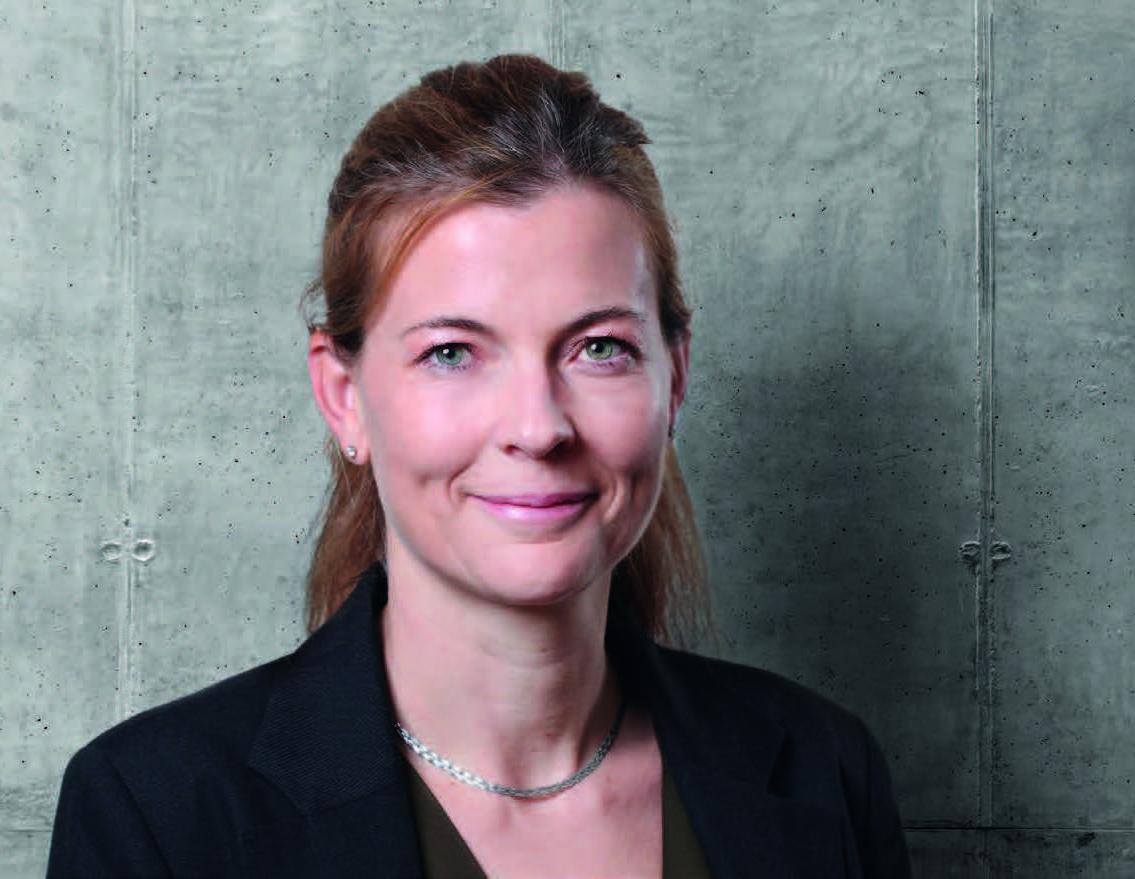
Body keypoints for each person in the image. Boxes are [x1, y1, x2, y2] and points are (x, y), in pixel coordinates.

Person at [46, 53, 912, 878]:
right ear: (343, 396)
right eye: (453, 353)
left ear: (673, 377)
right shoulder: (158, 815)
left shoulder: (825, 772)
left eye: (598, 347)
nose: (537, 427)